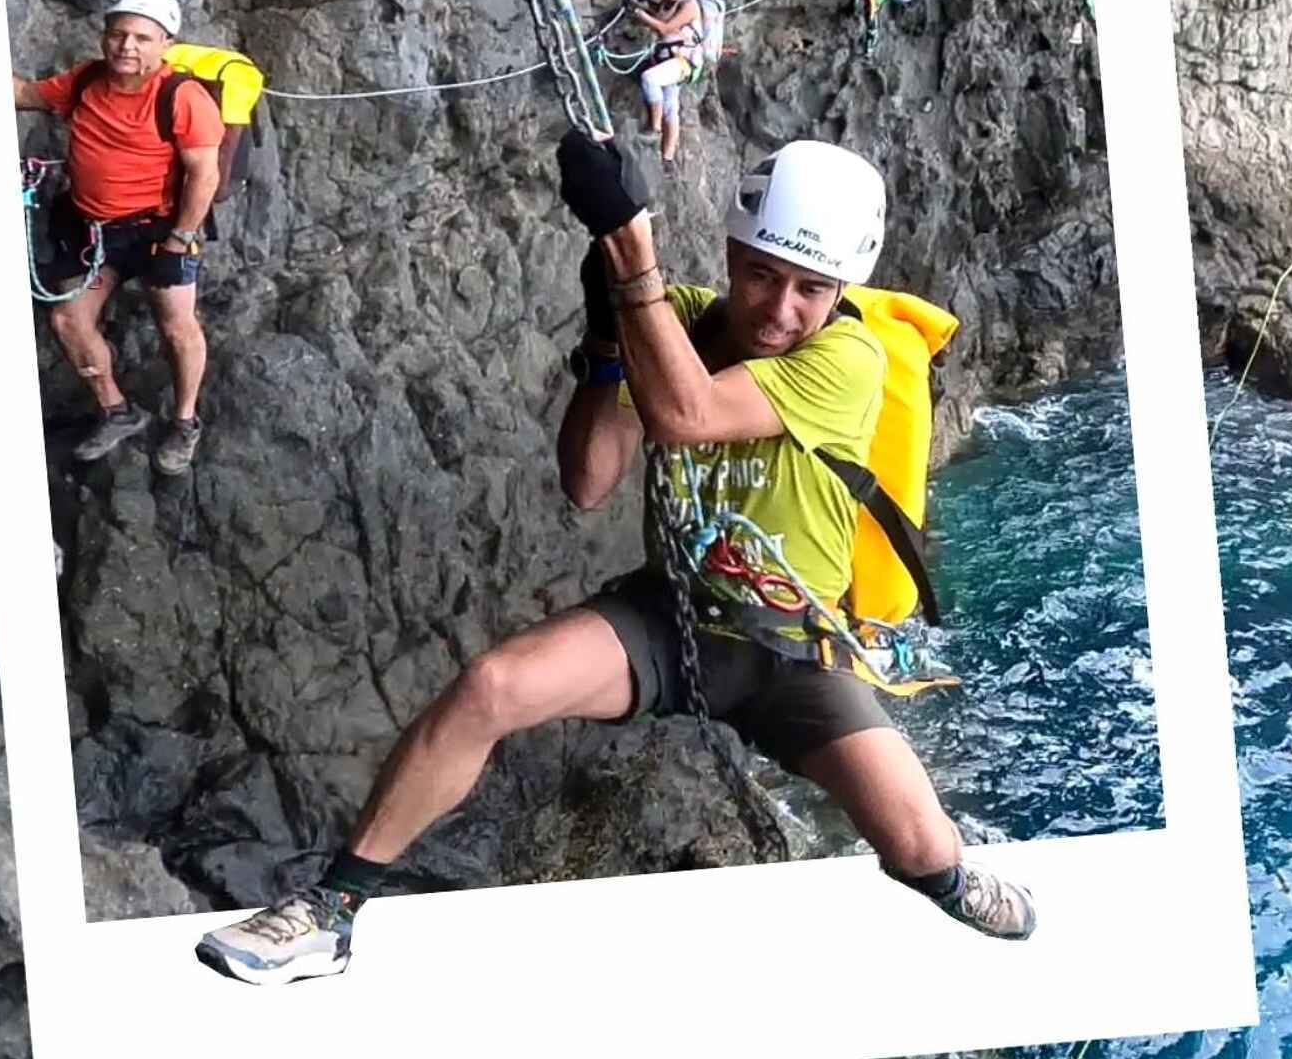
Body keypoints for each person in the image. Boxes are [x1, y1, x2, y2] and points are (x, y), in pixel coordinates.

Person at [193, 129, 1036, 987]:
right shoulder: (677, 323)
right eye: (761, 275)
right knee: (491, 687)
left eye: (811, 289)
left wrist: (631, 248)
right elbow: (588, 481)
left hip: (793, 654)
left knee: (922, 854)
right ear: (733, 251)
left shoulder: (847, 357)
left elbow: (690, 415)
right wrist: (607, 346)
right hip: (669, 620)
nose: (781, 310)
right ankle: (330, 913)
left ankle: (956, 875)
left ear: (840, 292)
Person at [11, 0, 228, 474]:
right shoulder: (86, 80)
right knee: (68, 320)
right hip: (94, 229)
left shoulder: (182, 97)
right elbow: (26, 95)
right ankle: (117, 410)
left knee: (177, 325)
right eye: (118, 34)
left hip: (159, 230)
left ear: (165, 45)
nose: (128, 46)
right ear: (105, 37)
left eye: (142, 38)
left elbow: (204, 175)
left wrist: (179, 238)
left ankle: (185, 422)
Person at [628, 0, 707, 163]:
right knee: (671, 107)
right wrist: (640, 8)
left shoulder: (690, 5)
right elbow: (658, 20)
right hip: (666, 59)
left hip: (683, 62)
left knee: (649, 79)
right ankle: (668, 158)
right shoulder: (667, 2)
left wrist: (640, 15)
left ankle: (654, 129)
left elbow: (664, 28)